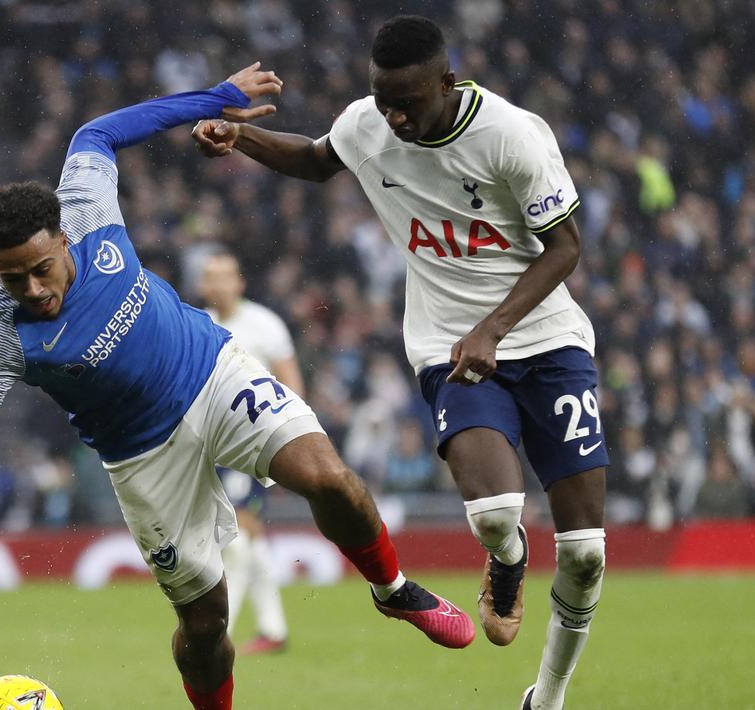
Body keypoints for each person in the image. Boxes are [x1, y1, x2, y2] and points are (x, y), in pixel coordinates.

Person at [0, 63, 475, 710]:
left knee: (328, 478)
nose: (33, 290)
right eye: (13, 279)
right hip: (141, 456)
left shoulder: (87, 205)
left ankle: (393, 589)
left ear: (64, 238)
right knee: (205, 621)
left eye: (42, 269)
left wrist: (219, 98)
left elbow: (96, 132)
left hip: (211, 373)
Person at [192, 17, 608, 710]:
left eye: (408, 100)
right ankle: (505, 558)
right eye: (382, 97)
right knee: (496, 513)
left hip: (548, 342)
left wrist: (495, 327)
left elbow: (564, 246)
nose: (394, 115)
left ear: (447, 82)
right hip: (447, 344)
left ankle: (548, 698)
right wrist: (243, 137)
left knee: (587, 551)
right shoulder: (369, 124)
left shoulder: (510, 134)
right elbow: (317, 159)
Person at [198, 251, 300, 655]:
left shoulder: (264, 325)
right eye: (210, 276)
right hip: (212, 448)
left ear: (240, 282)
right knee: (250, 541)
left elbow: (292, 384)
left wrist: (290, 444)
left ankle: (219, 634)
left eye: (224, 276)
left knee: (237, 539)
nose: (217, 284)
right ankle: (274, 631)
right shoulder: (199, 323)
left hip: (254, 445)